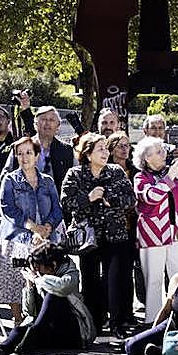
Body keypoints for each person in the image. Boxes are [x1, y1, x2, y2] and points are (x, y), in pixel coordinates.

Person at [61, 132, 136, 338]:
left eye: (106, 148)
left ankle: (117, 325)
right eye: (100, 149)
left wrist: (110, 197)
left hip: (116, 236)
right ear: (88, 153)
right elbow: (66, 203)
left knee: (116, 280)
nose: (105, 152)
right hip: (88, 238)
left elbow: (131, 199)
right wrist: (89, 197)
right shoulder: (74, 174)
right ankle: (93, 324)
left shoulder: (116, 172)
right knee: (91, 281)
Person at [0, 243, 96, 355]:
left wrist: (37, 279)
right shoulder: (38, 277)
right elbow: (29, 312)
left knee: (52, 296)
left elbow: (61, 287)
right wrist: (29, 286)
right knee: (19, 330)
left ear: (54, 265)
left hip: (76, 335)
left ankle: (27, 341)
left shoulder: (71, 272)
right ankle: (1, 350)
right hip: (48, 331)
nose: (37, 271)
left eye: (40, 268)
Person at [0, 136, 64, 326]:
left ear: (36, 155)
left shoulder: (47, 181)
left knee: (44, 280)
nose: (24, 157)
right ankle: (19, 320)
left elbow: (57, 209)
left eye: (28, 153)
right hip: (18, 236)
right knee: (15, 280)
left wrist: (47, 227)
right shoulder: (10, 180)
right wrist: (33, 228)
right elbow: (7, 208)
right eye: (20, 154)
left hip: (45, 238)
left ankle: (42, 320)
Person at [133, 137, 178, 322]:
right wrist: (169, 178)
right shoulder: (141, 177)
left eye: (163, 150)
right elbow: (150, 197)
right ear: (147, 158)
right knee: (154, 279)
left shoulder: (172, 174)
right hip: (153, 234)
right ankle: (152, 320)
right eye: (159, 151)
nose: (164, 154)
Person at [3, 105, 75, 188]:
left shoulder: (67, 150)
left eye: (51, 120)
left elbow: (75, 178)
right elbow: (5, 176)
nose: (47, 123)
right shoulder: (21, 146)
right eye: (43, 119)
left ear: (58, 126)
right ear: (35, 125)